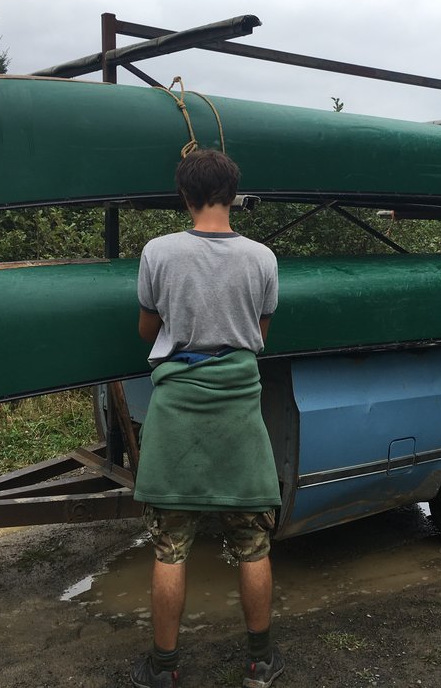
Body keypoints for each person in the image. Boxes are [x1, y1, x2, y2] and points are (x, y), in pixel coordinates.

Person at [131, 149, 285, 688]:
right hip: (239, 407)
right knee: (253, 545)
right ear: (232, 194)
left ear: (185, 196)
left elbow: (148, 331)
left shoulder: (159, 252)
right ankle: (261, 664)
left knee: (170, 549)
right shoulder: (263, 258)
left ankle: (165, 671)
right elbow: (260, 335)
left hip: (177, 407)